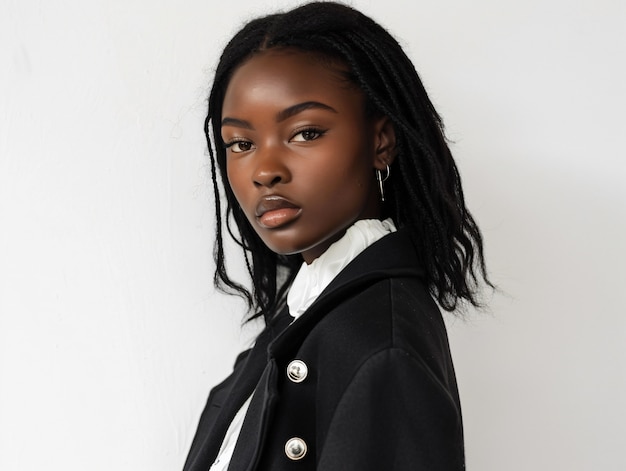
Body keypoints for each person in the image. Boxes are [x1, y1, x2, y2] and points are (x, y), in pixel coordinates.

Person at [184, 2, 491, 470]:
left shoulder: (379, 343)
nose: (265, 171)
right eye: (242, 144)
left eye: (305, 133)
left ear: (381, 141)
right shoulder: (305, 314)